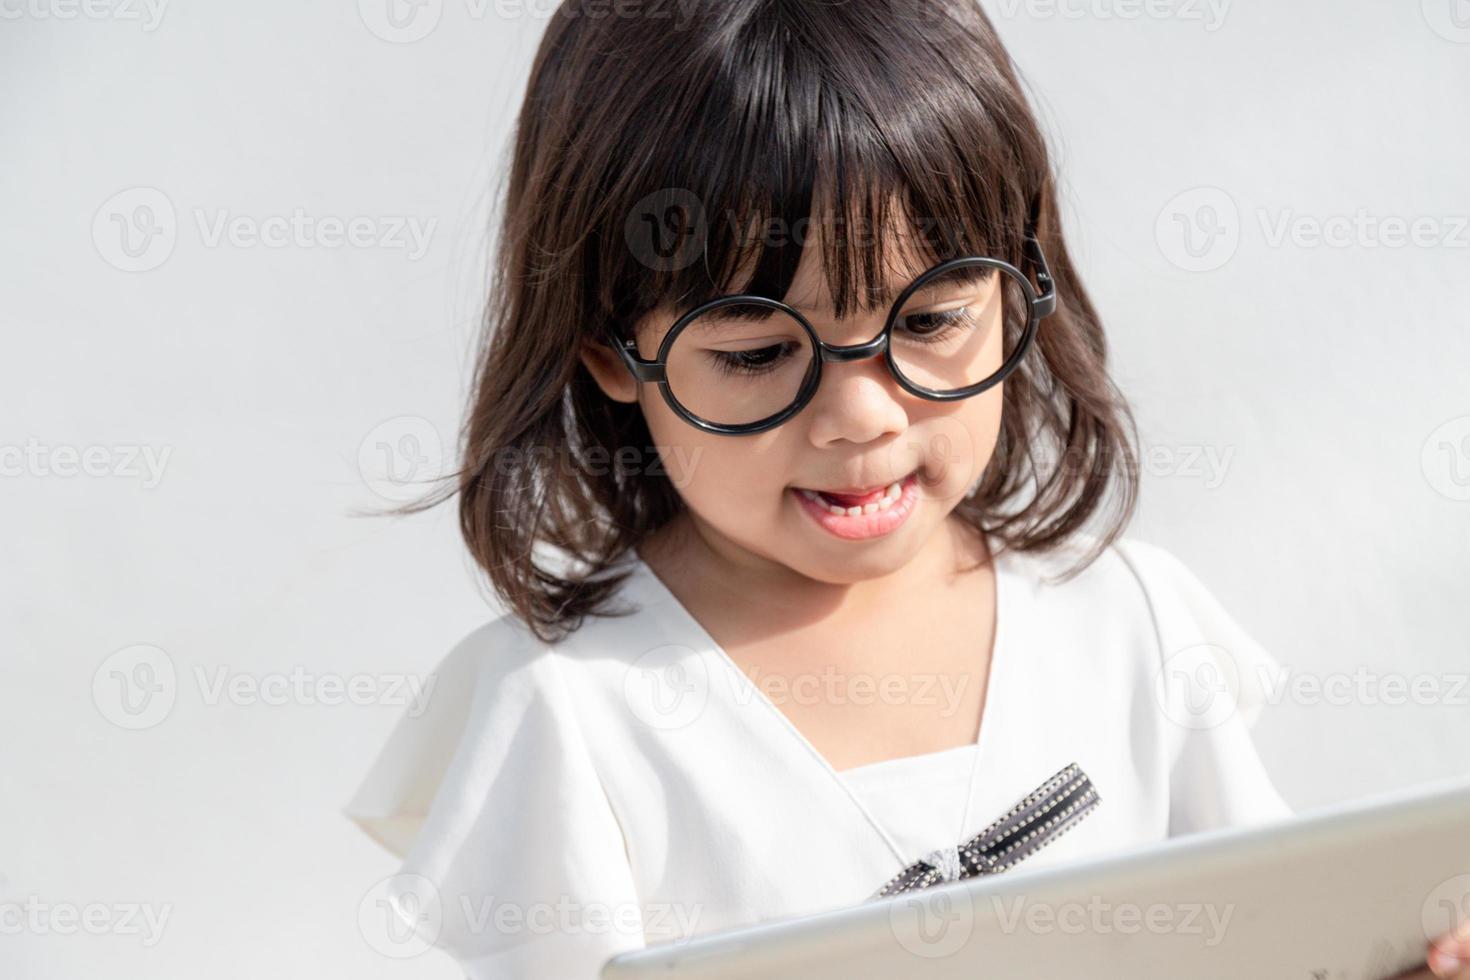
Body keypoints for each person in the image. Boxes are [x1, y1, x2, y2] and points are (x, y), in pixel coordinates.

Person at [345, 2, 1470, 977]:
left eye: (928, 321)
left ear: (1016, 283)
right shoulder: (570, 714)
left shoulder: (1127, 621)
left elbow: (1279, 938)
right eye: (755, 354)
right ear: (608, 352)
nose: (861, 416)